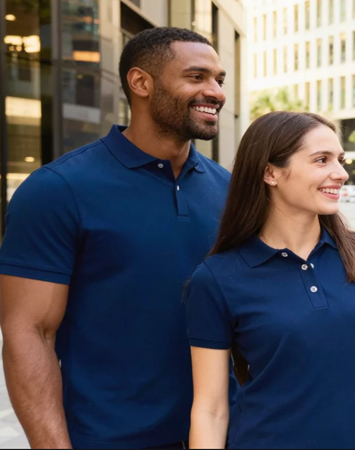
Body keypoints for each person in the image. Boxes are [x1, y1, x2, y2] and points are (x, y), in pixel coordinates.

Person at [0, 28, 230, 449]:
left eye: (219, 79)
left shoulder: (232, 191)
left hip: (225, 434)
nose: (215, 92)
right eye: (197, 77)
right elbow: (28, 333)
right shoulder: (58, 189)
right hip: (110, 439)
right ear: (141, 83)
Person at [186, 111, 355, 449]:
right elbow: (210, 409)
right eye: (321, 160)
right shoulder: (217, 278)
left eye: (340, 160)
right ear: (271, 172)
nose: (340, 173)